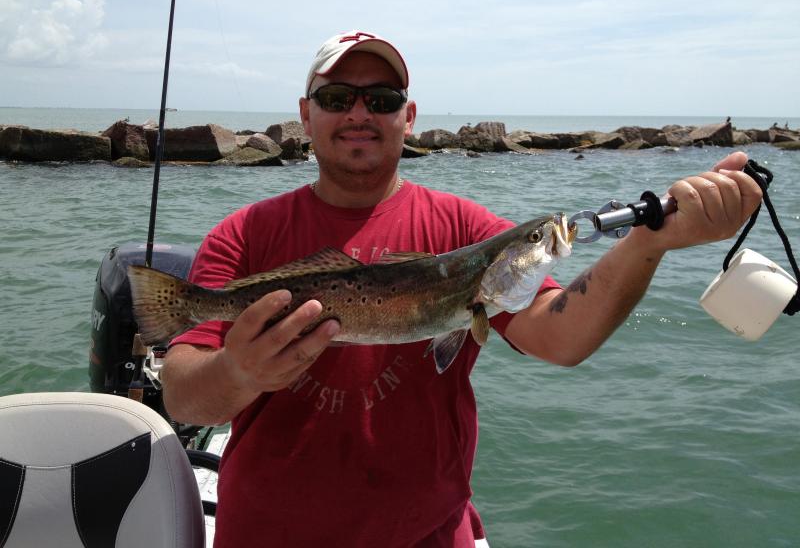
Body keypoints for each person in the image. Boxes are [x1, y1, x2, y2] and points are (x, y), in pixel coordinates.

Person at [161, 30, 762, 548]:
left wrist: (648, 244)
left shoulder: (467, 230)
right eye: (337, 98)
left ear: (408, 116)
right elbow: (184, 401)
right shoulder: (243, 234)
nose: (359, 113)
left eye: (382, 99)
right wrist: (239, 371)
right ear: (306, 112)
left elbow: (562, 337)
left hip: (428, 533)